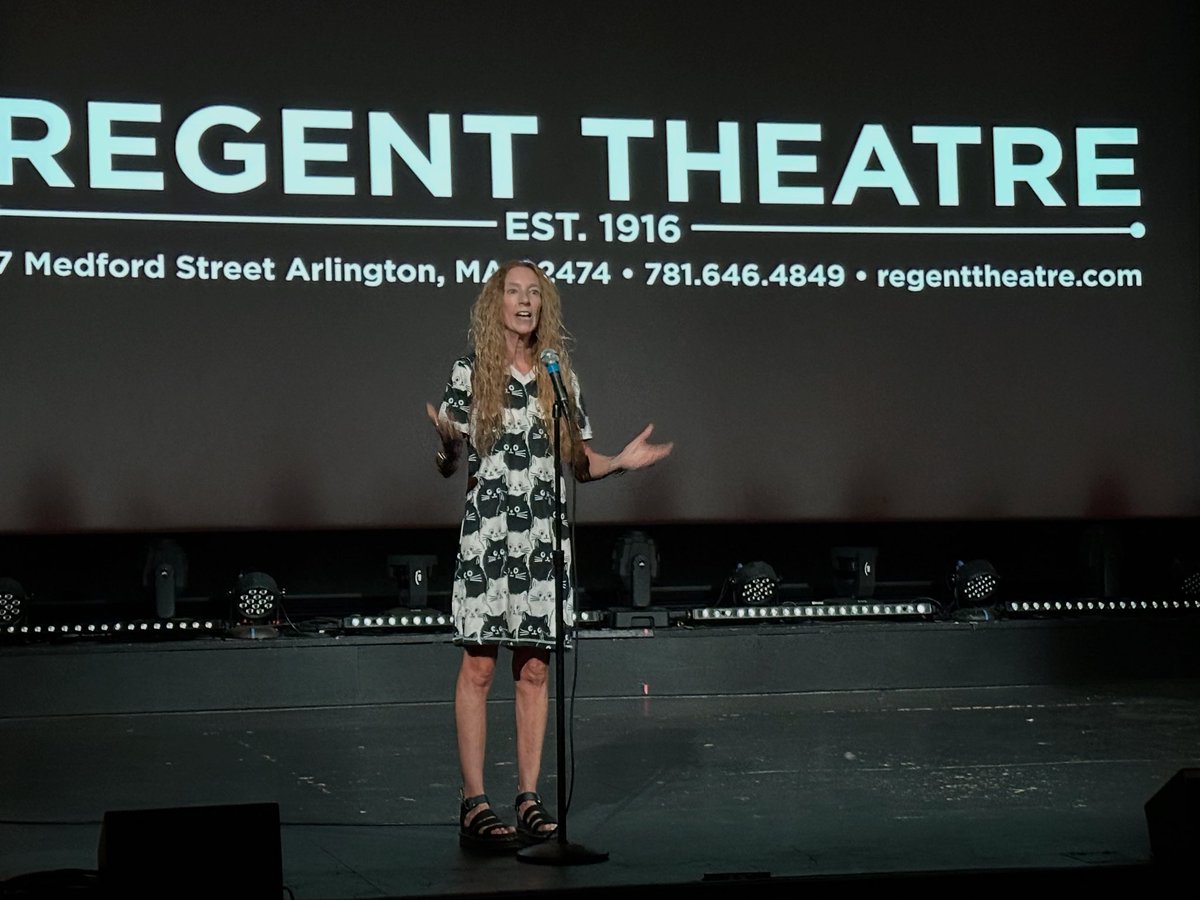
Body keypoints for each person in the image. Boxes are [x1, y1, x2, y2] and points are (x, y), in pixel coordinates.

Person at [425, 259, 673, 853]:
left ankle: (529, 798)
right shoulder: (471, 371)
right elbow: (449, 456)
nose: (525, 301)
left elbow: (580, 465)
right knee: (480, 668)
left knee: (535, 670)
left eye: (534, 293)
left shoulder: (558, 376)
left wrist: (617, 462)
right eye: (514, 292)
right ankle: (473, 802)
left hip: (542, 541)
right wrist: (444, 444)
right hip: (489, 538)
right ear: (496, 303)